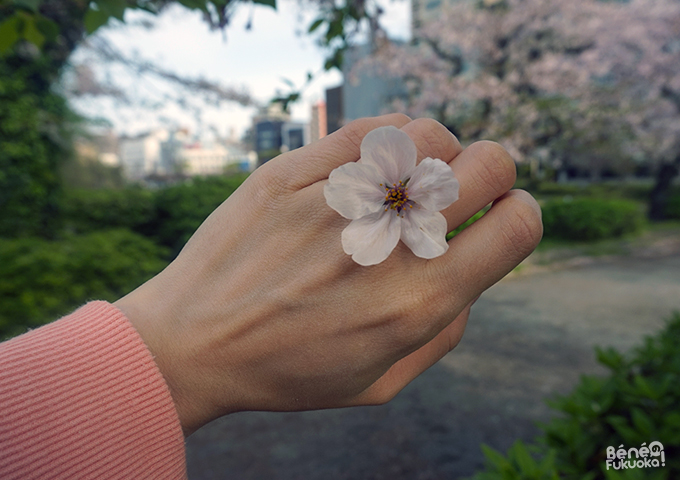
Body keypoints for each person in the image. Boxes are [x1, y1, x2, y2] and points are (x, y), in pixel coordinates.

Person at [0, 114, 543, 479]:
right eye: (395, 193)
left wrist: (162, 353)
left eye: (398, 194)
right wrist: (172, 360)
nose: (397, 195)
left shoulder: (405, 203)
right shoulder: (377, 199)